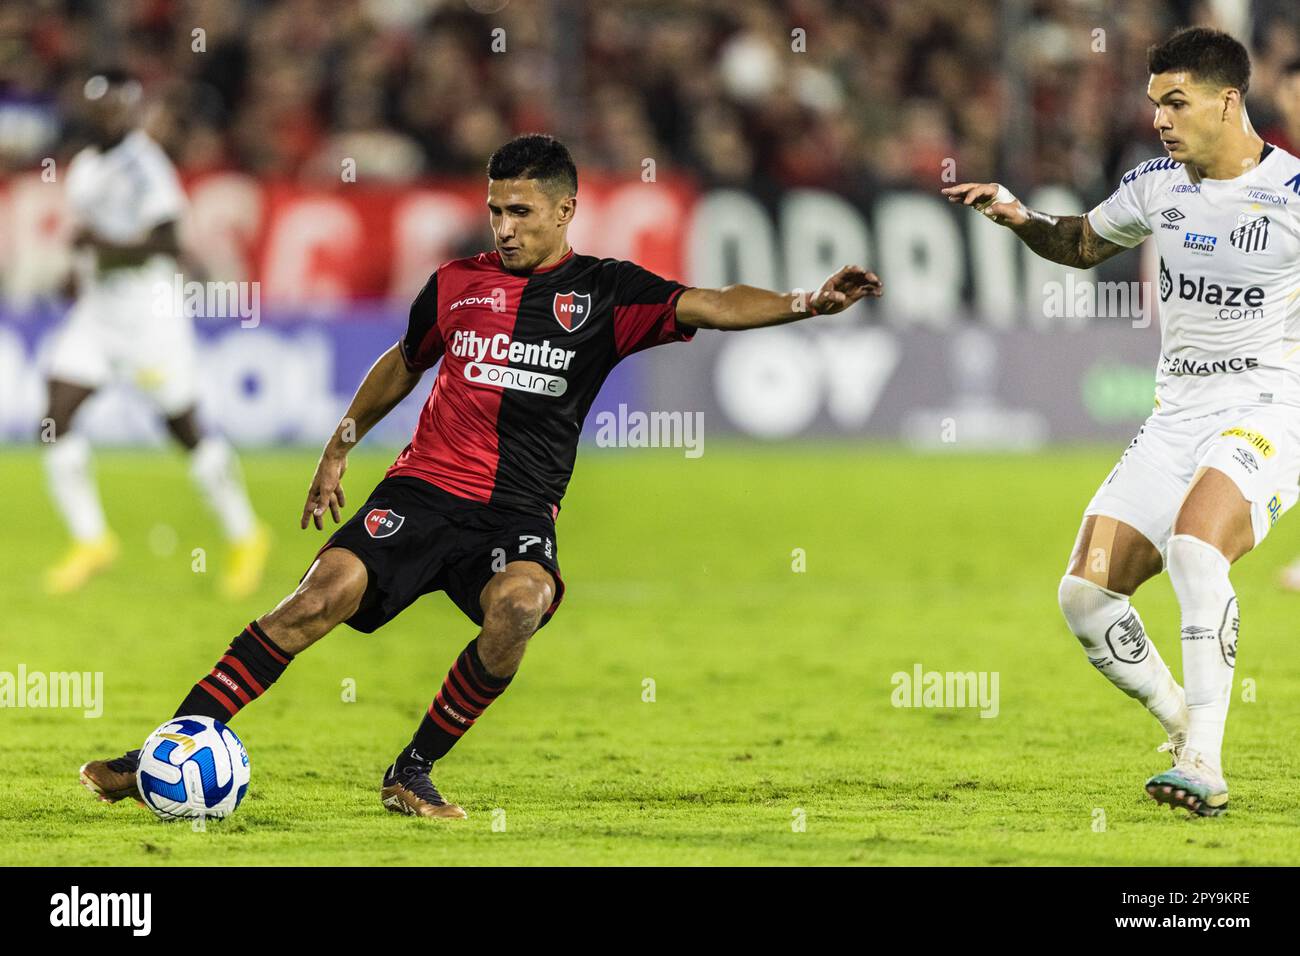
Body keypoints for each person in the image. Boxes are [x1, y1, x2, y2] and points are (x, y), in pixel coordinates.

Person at [80, 133, 883, 818]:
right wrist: (341, 444)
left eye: (520, 212)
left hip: (518, 510)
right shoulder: (457, 285)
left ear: (565, 211)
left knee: (521, 606)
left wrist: (807, 301)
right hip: (422, 490)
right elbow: (403, 362)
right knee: (313, 602)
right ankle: (158, 753)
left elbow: (711, 303)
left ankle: (412, 771)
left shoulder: (608, 293)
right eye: (496, 210)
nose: (502, 226)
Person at [944, 27, 1300, 816]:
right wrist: (1015, 214)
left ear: (1227, 100)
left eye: (1176, 102)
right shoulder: (1154, 187)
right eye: (1154, 104)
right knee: (1084, 597)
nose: (1161, 119)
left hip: (1270, 410)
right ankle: (1179, 721)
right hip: (1177, 416)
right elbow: (1077, 244)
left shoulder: (1295, 197)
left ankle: (1206, 760)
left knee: (1196, 548)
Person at [42, 70, 268, 598]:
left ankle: (246, 534)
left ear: (132, 109)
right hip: (98, 315)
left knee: (181, 426)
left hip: (150, 316)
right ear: (90, 108)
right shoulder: (83, 167)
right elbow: (82, 238)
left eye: (122, 106)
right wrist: (74, 271)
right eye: (103, 106)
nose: (112, 115)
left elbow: (168, 244)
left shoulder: (145, 167)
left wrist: (102, 247)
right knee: (56, 414)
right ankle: (92, 540)